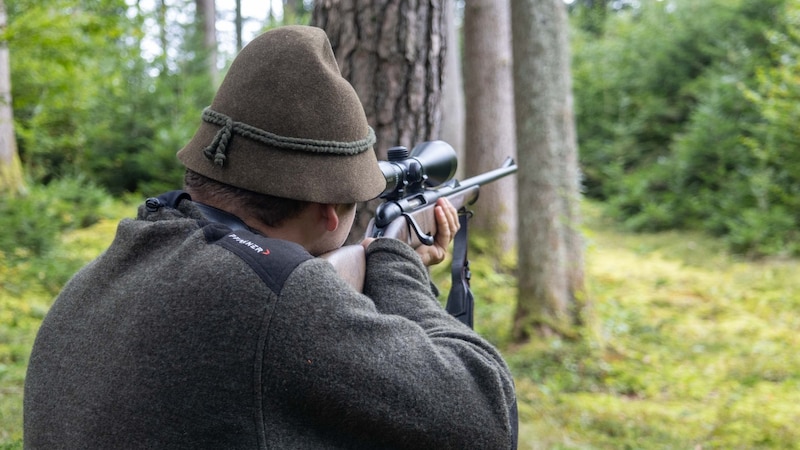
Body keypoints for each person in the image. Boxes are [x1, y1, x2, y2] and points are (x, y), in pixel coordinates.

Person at [23, 25, 518, 449]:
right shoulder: (276, 296)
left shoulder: (112, 266)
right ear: (329, 213)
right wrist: (397, 264)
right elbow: (485, 418)